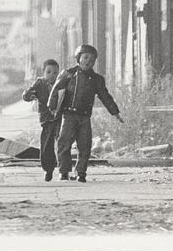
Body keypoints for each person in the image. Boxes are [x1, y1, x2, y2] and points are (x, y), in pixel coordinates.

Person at [48, 44, 123, 183]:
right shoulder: (68, 74)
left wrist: (114, 112)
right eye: (85, 57)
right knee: (63, 143)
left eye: (92, 59)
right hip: (68, 115)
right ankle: (64, 172)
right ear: (79, 58)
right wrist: (52, 107)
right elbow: (56, 90)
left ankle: (81, 172)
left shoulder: (97, 80)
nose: (88, 61)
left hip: (84, 118)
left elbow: (105, 96)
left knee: (85, 145)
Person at [22, 59, 61, 181]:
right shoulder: (40, 84)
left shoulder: (61, 83)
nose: (52, 75)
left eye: (55, 72)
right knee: (47, 145)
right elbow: (26, 95)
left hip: (60, 117)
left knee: (63, 143)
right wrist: (31, 95)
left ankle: (64, 169)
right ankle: (48, 169)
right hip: (46, 118)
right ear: (43, 72)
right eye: (48, 72)